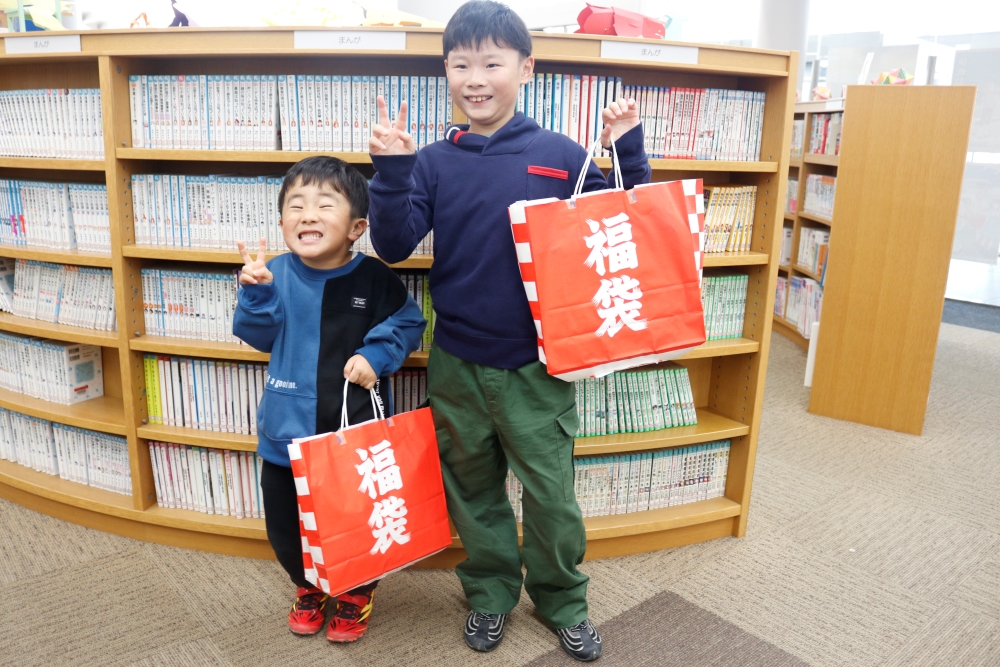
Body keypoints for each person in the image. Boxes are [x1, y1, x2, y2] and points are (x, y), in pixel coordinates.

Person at [367, 1, 649, 661]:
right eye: (461, 64)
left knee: (551, 492)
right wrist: (391, 171)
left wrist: (626, 145)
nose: (475, 77)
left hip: (537, 365)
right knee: (472, 487)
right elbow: (392, 243)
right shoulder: (434, 160)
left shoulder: (559, 153)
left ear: (525, 67)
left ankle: (561, 600)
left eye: (492, 62)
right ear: (446, 71)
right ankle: (491, 593)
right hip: (457, 359)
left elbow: (629, 224)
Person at [233, 156, 426, 643]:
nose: (308, 214)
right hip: (286, 434)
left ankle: (358, 591)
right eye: (295, 205)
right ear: (281, 223)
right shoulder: (272, 272)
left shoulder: (375, 278)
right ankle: (308, 586)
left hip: (353, 434)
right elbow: (257, 335)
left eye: (324, 204)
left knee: (360, 522)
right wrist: (254, 295)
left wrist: (376, 354)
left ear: (357, 226)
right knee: (285, 527)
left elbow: (409, 323)